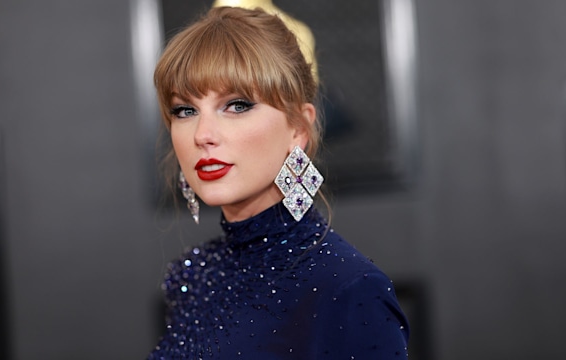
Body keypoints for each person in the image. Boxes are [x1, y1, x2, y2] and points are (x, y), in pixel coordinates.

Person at [148, 6, 409, 359]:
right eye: (185, 110)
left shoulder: (348, 289)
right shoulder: (192, 276)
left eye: (237, 105)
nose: (203, 135)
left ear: (298, 129)